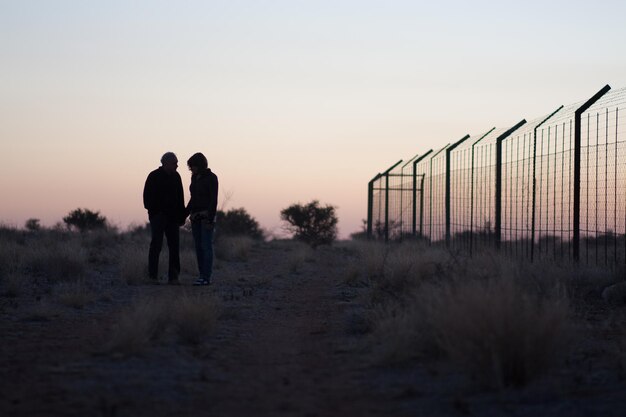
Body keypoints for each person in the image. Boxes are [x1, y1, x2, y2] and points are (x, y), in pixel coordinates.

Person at [143, 152, 186, 285]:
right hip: (158, 217)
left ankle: (173, 278)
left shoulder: (176, 177)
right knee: (156, 245)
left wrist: (181, 216)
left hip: (173, 218)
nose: (177, 165)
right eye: (175, 163)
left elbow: (180, 198)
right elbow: (147, 199)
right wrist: (156, 212)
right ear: (166, 163)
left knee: (174, 247)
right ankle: (152, 277)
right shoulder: (153, 176)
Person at [186, 152, 219, 286]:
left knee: (206, 246)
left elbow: (213, 200)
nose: (191, 169)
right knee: (199, 247)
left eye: (193, 166)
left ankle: (206, 277)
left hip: (206, 217)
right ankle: (201, 276)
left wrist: (210, 219)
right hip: (195, 217)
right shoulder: (194, 178)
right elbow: (193, 198)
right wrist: (184, 214)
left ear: (199, 165)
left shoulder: (212, 178)